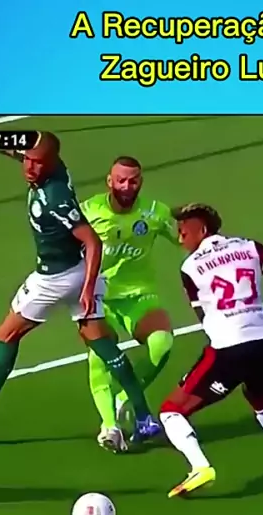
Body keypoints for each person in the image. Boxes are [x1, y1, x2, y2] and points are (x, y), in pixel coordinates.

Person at [0, 133, 159, 441]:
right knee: (103, 345)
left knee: (7, 334)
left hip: (54, 279)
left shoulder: (54, 198)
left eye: (36, 163)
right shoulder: (55, 168)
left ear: (49, 164)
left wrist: (88, 289)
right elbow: (18, 150)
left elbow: (93, 241)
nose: (29, 168)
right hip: (78, 270)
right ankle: (144, 418)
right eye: (27, 160)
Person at [158, 203, 263, 498]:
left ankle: (200, 467)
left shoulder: (190, 268)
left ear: (202, 230)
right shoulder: (250, 246)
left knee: (171, 411)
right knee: (259, 396)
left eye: (183, 232)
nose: (180, 239)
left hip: (228, 349)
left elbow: (207, 319)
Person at [80, 156, 178, 452]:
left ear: (141, 182)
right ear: (109, 181)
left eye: (132, 180)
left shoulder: (155, 213)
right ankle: (109, 427)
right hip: (100, 297)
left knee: (162, 343)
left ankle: (124, 397)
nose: (126, 186)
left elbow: (184, 238)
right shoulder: (88, 211)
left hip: (139, 296)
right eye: (120, 180)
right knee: (100, 359)